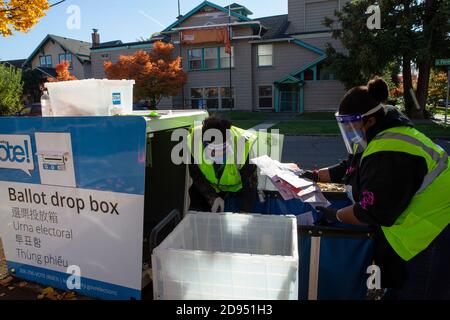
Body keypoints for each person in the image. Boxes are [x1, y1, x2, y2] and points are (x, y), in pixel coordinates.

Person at [301, 77, 450, 299]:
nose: (350, 131)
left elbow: (369, 212)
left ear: (369, 121)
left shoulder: (389, 151)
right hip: (424, 229)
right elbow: (350, 166)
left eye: (352, 124)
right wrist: (314, 175)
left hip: (434, 233)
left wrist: (336, 215)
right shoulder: (384, 133)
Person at [187, 115, 258, 213]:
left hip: (238, 190)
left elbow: (250, 184)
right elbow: (196, 176)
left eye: (222, 150)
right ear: (204, 144)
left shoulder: (243, 146)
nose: (218, 155)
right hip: (211, 186)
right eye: (213, 151)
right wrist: (213, 198)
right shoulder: (194, 142)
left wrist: (245, 212)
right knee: (196, 199)